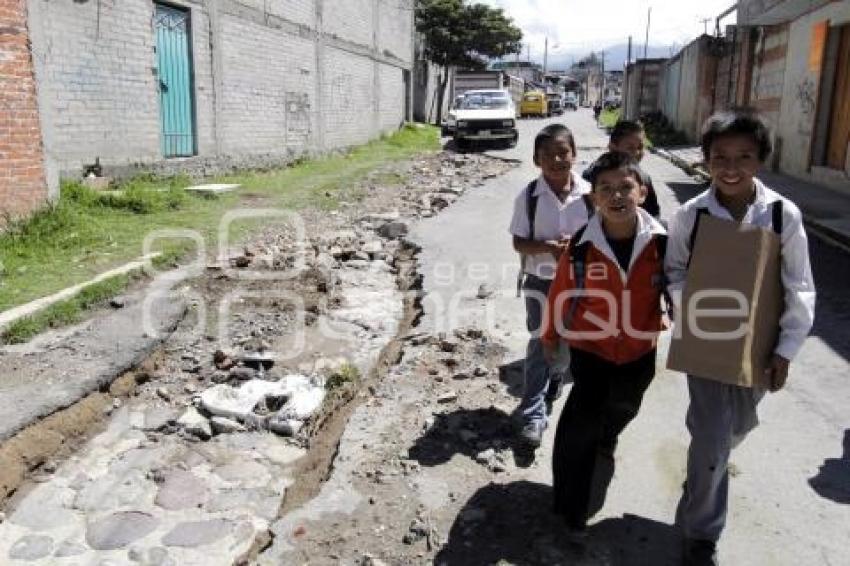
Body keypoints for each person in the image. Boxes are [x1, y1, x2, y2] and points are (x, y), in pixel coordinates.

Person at [665, 108, 816, 566]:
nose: (731, 168)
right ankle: (701, 536)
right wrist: (688, 306)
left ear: (761, 160)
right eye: (720, 157)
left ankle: (702, 472)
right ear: (705, 161)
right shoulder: (692, 215)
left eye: (744, 157)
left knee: (736, 427)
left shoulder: (779, 214)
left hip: (759, 346)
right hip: (708, 342)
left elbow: (800, 285)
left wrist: (786, 350)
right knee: (713, 436)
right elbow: (673, 270)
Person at [541, 151, 668, 537]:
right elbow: (560, 293)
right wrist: (550, 336)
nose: (616, 196)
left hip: (639, 350)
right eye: (606, 190)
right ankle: (570, 506)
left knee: (625, 407)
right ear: (594, 198)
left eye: (625, 187)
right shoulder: (581, 245)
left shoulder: (663, 242)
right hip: (591, 348)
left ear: (641, 193)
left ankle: (608, 436)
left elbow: (680, 286)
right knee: (581, 425)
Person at [509, 124, 593, 448]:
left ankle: (557, 376)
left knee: (570, 342)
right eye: (548, 154)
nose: (557, 159)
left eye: (563, 152)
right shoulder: (529, 197)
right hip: (540, 281)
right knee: (538, 343)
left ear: (574, 154)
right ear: (536, 159)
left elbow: (603, 239)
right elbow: (518, 242)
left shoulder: (590, 195)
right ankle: (532, 415)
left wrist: (577, 246)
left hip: (582, 284)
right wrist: (548, 248)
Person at [583, 120, 661, 218]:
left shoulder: (644, 178)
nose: (637, 152)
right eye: (630, 148)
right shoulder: (591, 176)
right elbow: (583, 215)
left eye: (640, 147)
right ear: (612, 147)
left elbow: (654, 214)